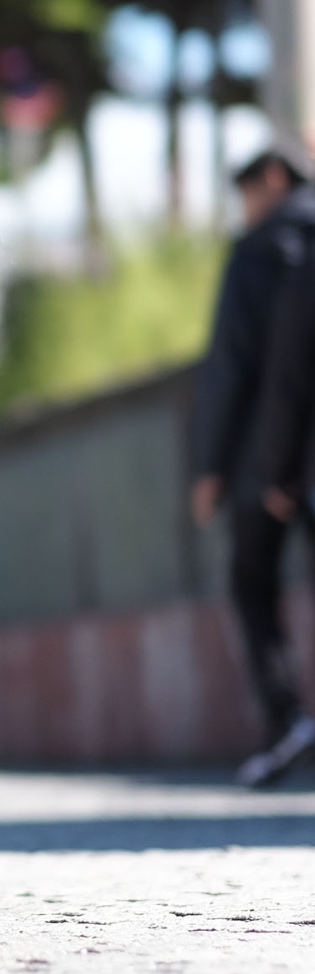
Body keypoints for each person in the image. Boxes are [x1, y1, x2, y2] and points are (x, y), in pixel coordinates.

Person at [191, 140, 315, 787]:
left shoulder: (260, 248)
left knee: (251, 585)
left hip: (262, 455)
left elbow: (239, 365)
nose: (243, 209)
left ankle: (285, 719)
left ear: (271, 178)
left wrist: (218, 467)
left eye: (245, 193)